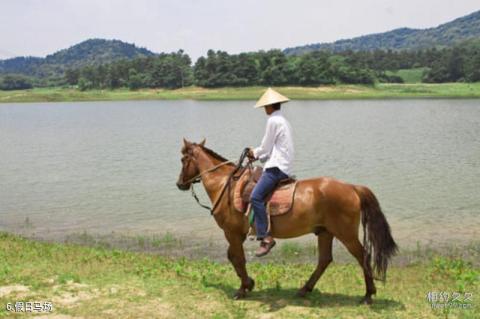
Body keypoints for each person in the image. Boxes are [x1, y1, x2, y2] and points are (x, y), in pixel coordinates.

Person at [247, 88, 294, 257]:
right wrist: (260, 155)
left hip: (276, 168)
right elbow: (271, 149)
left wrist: (254, 152)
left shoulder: (273, 121)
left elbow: (265, 147)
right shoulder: (283, 121)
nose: (264, 110)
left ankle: (265, 238)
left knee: (255, 197)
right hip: (283, 164)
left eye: (264, 107)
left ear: (269, 106)